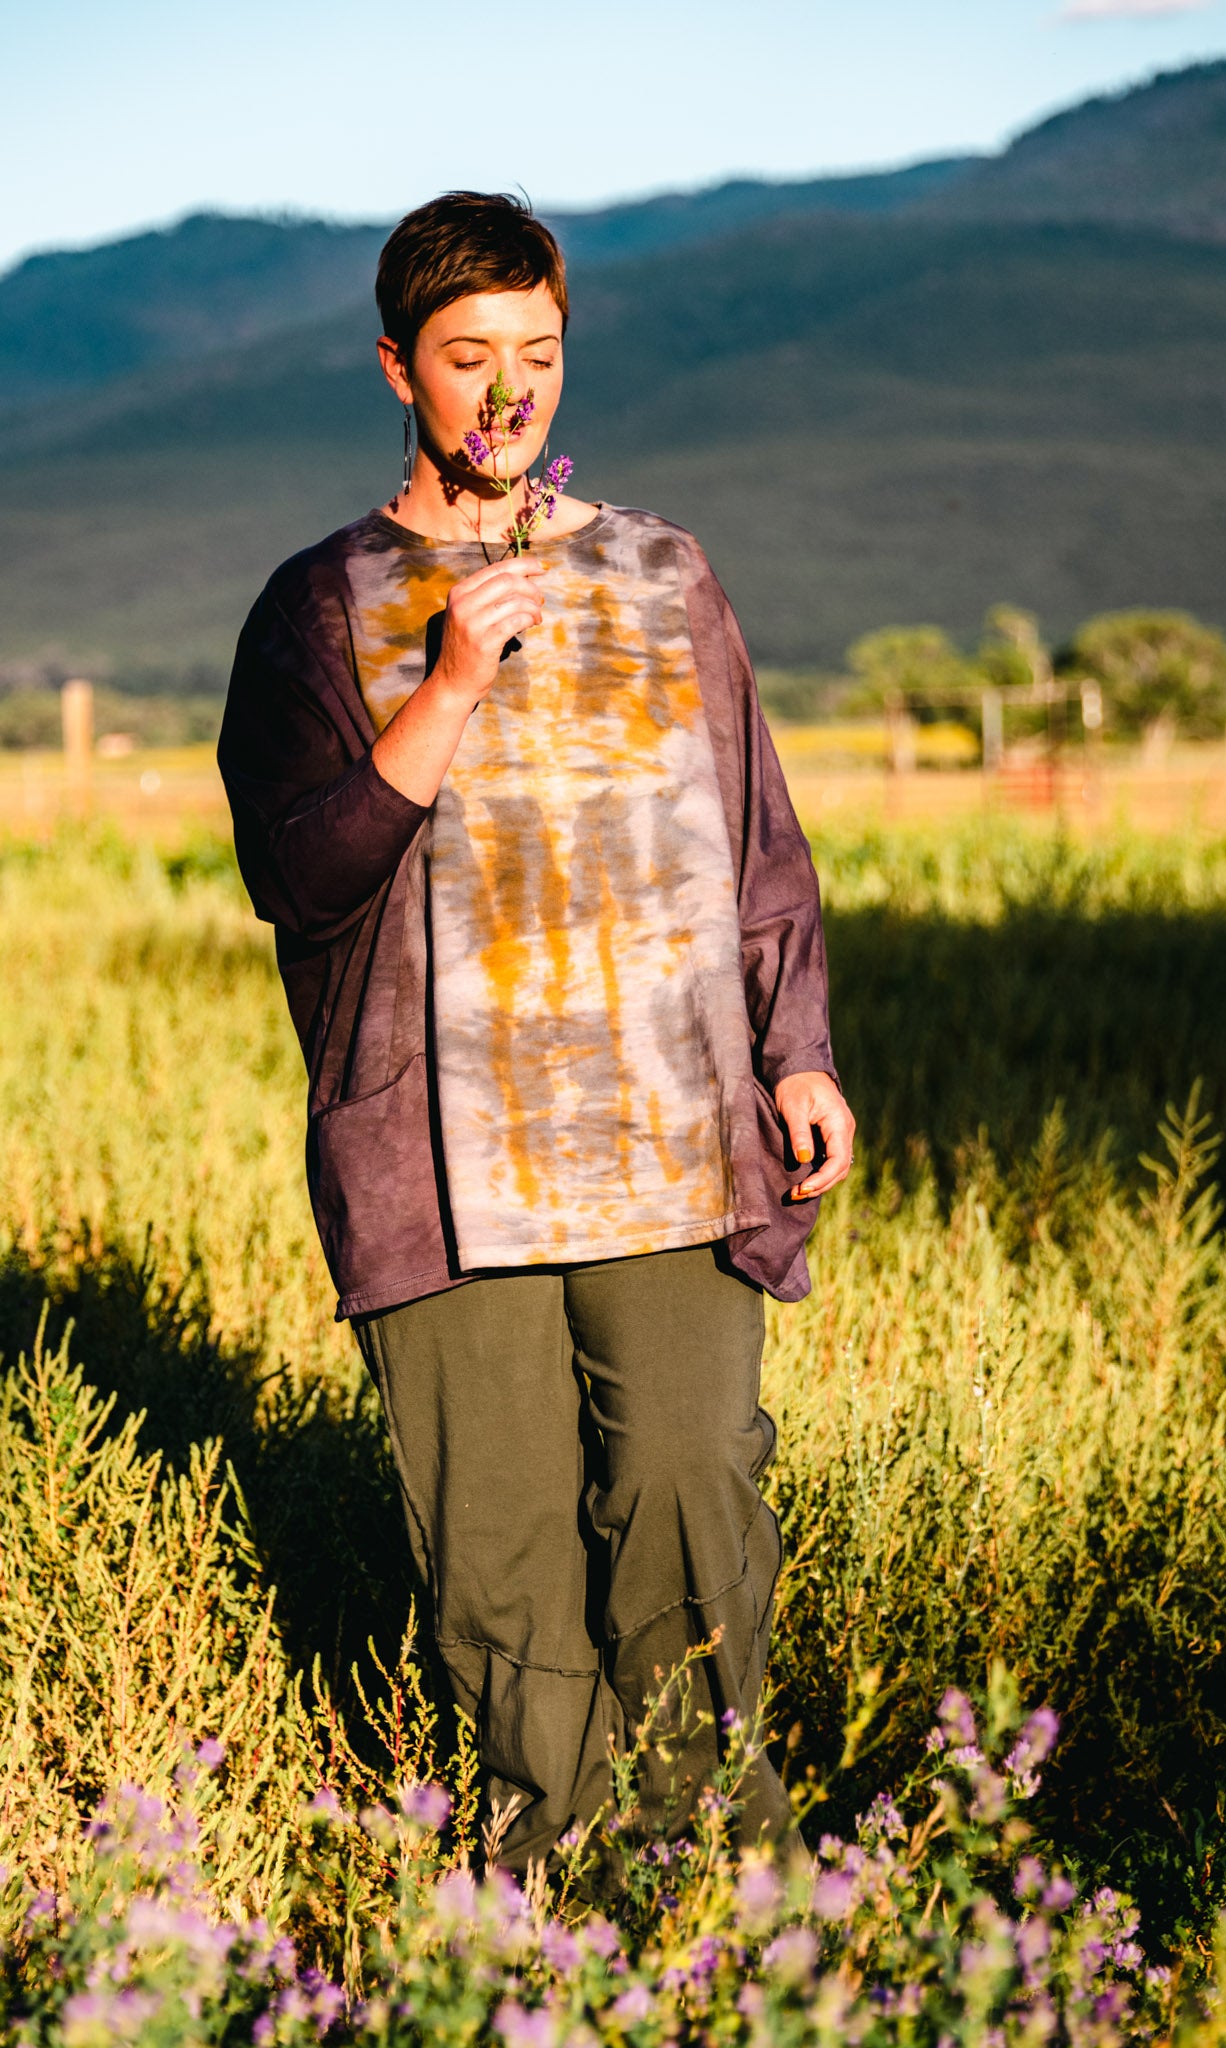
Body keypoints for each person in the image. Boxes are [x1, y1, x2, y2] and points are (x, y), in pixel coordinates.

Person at [218, 191, 855, 1873]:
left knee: (688, 1498)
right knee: (501, 1562)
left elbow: (756, 835)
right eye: (467, 357)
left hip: (672, 1131)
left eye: (537, 353)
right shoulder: (320, 604)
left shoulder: (664, 571)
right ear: (397, 370)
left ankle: (719, 1886)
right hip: (438, 1164)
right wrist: (446, 684)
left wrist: (796, 1049)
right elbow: (299, 879)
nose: (507, 391)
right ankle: (552, 1898)